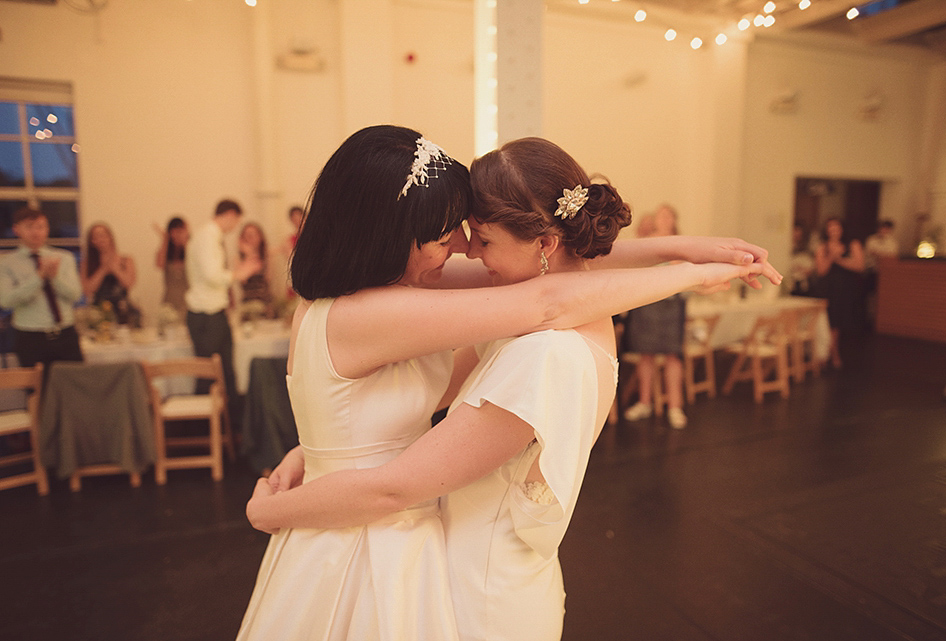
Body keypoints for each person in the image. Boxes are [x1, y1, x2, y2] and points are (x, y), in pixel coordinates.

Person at [238, 129, 779, 641]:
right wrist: (695, 273)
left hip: (388, 525)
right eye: (441, 233)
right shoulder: (368, 312)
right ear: (388, 237)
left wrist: (684, 248)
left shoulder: (386, 285)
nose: (458, 247)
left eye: (471, 233)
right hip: (360, 530)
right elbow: (545, 298)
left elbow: (561, 268)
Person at [185, 199, 261, 424]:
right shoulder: (208, 236)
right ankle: (204, 430)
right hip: (207, 314)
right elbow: (212, 275)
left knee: (226, 373)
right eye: (237, 221)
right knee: (211, 375)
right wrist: (239, 274)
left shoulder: (208, 235)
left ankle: (231, 430)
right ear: (230, 214)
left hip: (213, 313)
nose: (235, 226)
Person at [623, 204, 688, 429]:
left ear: (673, 219)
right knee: (646, 355)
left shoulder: (680, 241)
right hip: (648, 304)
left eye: (667, 214)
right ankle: (644, 402)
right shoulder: (647, 240)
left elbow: (683, 270)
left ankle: (675, 406)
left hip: (671, 305)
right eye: (659, 214)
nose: (662, 218)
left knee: (673, 356)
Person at [0, 206, 83, 372]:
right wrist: (39, 277)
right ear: (17, 229)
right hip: (30, 337)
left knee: (75, 387)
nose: (36, 232)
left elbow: (75, 295)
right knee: (37, 392)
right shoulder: (6, 263)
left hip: (65, 334)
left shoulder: (63, 258)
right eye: (29, 227)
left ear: (47, 229)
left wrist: (54, 278)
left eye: (40, 226)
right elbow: (6, 301)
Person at [814, 216, 865, 369]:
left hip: (846, 287)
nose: (833, 231)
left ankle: (832, 352)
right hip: (828, 288)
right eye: (830, 228)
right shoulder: (822, 247)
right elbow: (821, 271)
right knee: (829, 320)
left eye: (836, 227)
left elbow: (859, 266)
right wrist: (832, 256)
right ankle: (830, 353)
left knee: (839, 321)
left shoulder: (853, 244)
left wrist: (840, 260)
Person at [81, 222, 141, 327]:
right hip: (98, 312)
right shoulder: (87, 263)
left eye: (103, 235)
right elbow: (87, 290)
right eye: (95, 237)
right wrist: (103, 269)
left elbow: (129, 283)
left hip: (123, 309)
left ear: (110, 237)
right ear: (92, 241)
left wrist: (115, 268)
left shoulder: (126, 260)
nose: (100, 239)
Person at [154, 216, 190, 317]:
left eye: (180, 231)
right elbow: (159, 265)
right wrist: (165, 240)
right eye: (174, 232)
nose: (176, 235)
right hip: (170, 299)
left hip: (188, 299)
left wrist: (185, 241)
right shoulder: (166, 250)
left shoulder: (190, 248)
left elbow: (196, 264)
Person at [237, 222, 273, 315]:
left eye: (253, 234)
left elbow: (268, 278)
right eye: (247, 235)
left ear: (260, 236)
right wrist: (248, 255)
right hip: (248, 303)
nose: (250, 238)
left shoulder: (266, 256)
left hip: (265, 301)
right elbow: (242, 280)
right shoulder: (239, 258)